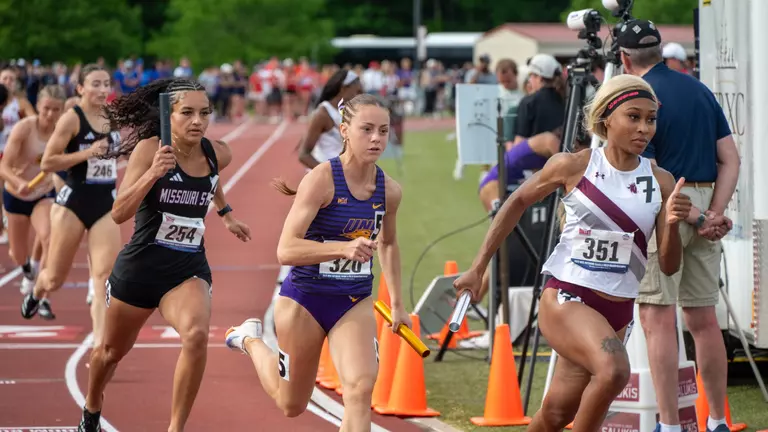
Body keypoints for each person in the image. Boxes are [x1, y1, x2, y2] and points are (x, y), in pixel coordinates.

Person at [454, 74, 694, 430]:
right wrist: (477, 268)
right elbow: (515, 202)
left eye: (651, 119)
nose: (644, 128)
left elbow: (670, 266)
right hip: (568, 297)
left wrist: (672, 223)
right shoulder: (574, 165)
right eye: (633, 117)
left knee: (557, 413)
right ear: (606, 117)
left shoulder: (661, 181)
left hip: (618, 311)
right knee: (614, 370)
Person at [224, 93, 411, 430]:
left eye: (383, 131)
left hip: (353, 299)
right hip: (305, 301)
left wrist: (398, 304)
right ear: (344, 130)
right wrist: (342, 249)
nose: (376, 139)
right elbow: (286, 250)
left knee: (360, 389)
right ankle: (249, 340)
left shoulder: (389, 191)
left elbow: (389, 243)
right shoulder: (321, 180)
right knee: (291, 404)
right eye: (367, 129)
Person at [77, 77, 251, 432]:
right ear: (168, 116)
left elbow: (211, 178)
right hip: (140, 269)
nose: (197, 121)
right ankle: (92, 406)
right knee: (109, 353)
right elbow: (119, 213)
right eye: (187, 113)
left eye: (204, 113)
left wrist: (226, 213)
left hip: (186, 268)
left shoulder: (219, 152)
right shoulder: (150, 150)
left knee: (197, 335)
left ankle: (175, 428)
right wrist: (153, 173)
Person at [616, 19, 739, 432]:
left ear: (624, 59)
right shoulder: (698, 89)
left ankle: (669, 425)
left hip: (666, 209)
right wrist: (713, 213)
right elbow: (730, 158)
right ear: (660, 49)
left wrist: (697, 216)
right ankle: (717, 420)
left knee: (657, 319)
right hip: (705, 201)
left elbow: (651, 174)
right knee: (704, 320)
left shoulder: (639, 98)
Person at [20, 65, 121, 341]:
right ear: (80, 88)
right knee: (54, 278)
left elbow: (113, 156)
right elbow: (48, 161)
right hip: (73, 204)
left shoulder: (112, 116)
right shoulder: (71, 119)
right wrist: (88, 153)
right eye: (96, 84)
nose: (103, 89)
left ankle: (99, 348)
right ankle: (37, 291)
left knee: (104, 278)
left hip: (105, 203)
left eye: (106, 84)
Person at [1, 85, 66, 299]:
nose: (50, 114)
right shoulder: (24, 128)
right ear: (38, 105)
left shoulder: (63, 132)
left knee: (49, 236)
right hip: (16, 195)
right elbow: (3, 166)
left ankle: (39, 291)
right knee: (17, 254)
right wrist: (18, 182)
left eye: (56, 109)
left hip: (42, 194)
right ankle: (27, 268)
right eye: (46, 108)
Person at [296, 69, 361, 169]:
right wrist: (329, 173)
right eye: (357, 91)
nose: (359, 96)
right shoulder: (323, 114)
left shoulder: (349, 111)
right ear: (343, 88)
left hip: (344, 174)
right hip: (326, 176)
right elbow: (303, 155)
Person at [512, 54, 565, 147]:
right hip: (561, 154)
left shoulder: (528, 102)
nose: (529, 80)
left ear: (539, 77)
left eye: (531, 76)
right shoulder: (566, 100)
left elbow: (519, 143)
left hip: (534, 155)